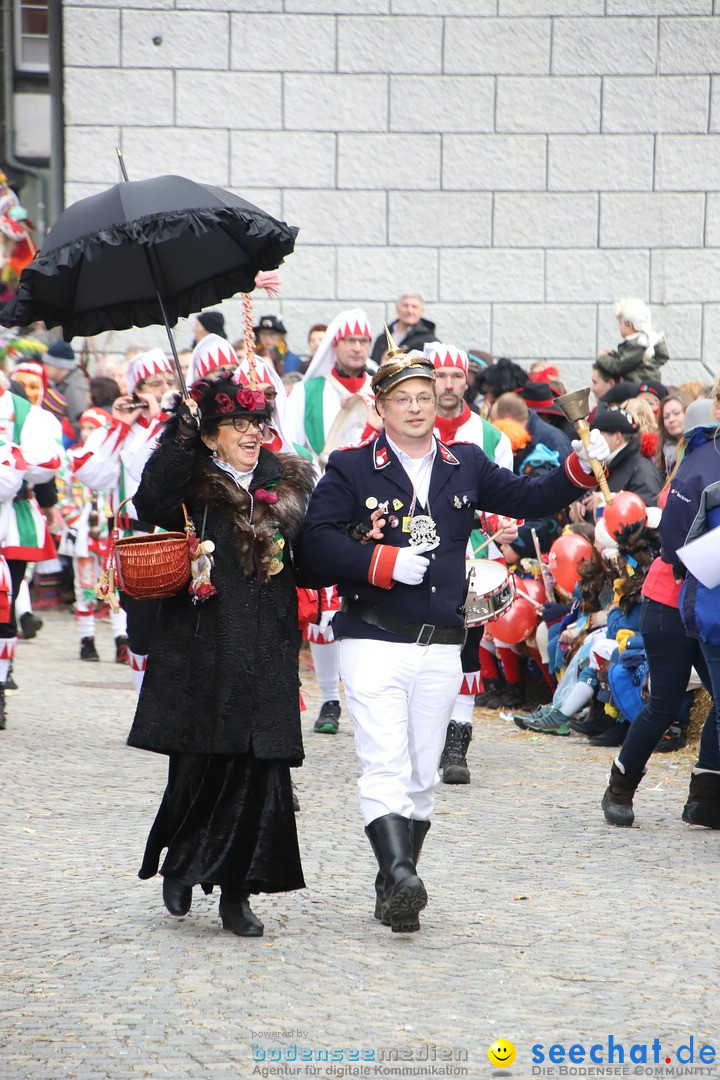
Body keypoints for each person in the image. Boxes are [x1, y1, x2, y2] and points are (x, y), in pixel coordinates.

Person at [299, 340, 610, 932]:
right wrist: (380, 563)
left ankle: (394, 882)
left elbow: (528, 497)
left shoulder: (463, 462)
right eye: (402, 399)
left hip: (442, 641)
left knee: (421, 776)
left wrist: (575, 466)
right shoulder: (351, 466)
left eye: (423, 397)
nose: (416, 407)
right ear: (381, 407)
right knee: (383, 763)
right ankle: (401, 875)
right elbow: (315, 542)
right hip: (372, 636)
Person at [127, 378, 315, 935]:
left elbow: (314, 553)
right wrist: (181, 431)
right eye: (239, 426)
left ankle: (239, 895)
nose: (253, 434)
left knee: (261, 773)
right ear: (212, 436)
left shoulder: (287, 483)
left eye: (258, 424)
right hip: (202, 647)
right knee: (199, 764)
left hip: (267, 644)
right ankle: (182, 864)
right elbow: (148, 503)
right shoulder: (189, 480)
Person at [601, 374, 720, 828]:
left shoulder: (694, 464)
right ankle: (621, 784)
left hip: (705, 603)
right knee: (665, 702)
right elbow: (674, 548)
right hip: (670, 601)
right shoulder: (695, 469)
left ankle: (705, 795)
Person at [425, 340, 514, 784]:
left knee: (467, 647)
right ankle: (428, 732)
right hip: (420, 555)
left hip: (475, 555)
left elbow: (507, 498)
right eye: (439, 375)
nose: (447, 384)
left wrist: (504, 522)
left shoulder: (492, 437)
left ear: (468, 380)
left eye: (455, 376)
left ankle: (458, 741)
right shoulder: (413, 428)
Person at [286, 308, 376, 736]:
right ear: (334, 345)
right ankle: (329, 699)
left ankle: (364, 696)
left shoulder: (383, 386)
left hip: (374, 511)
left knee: (368, 605)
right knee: (324, 608)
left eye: (364, 342)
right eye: (350, 341)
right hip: (322, 506)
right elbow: (288, 445)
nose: (358, 348)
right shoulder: (308, 393)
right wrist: (319, 466)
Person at [597, 297, 668, 386]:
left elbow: (619, 366)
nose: (619, 327)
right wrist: (613, 355)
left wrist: (602, 357)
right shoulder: (645, 342)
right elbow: (628, 360)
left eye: (620, 323)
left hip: (636, 387)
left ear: (630, 325)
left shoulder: (638, 345)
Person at [370, 294, 436, 367]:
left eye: (414, 307)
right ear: (397, 309)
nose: (409, 310)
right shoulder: (382, 339)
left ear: (421, 311)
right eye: (405, 306)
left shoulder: (430, 341)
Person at [42, 339, 90, 436]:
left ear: (59, 365)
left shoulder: (75, 388)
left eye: (47, 364)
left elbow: (78, 422)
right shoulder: (64, 383)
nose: (44, 367)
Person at [655, 391, 690, 479]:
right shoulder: (663, 453)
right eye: (666, 417)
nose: (671, 419)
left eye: (676, 413)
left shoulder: (699, 447)